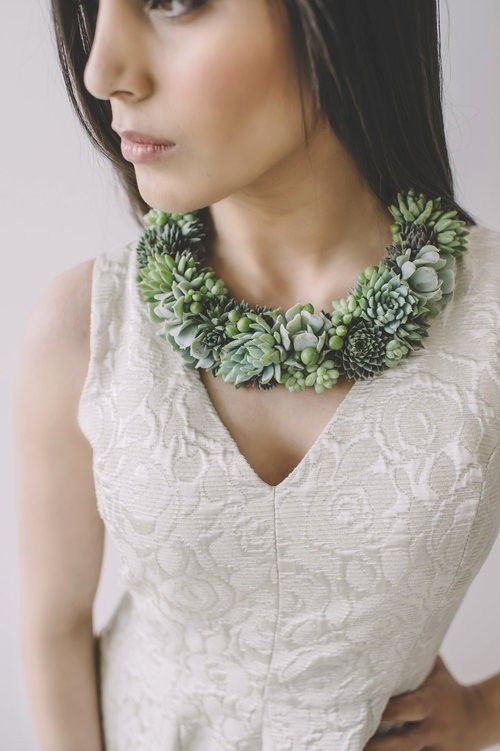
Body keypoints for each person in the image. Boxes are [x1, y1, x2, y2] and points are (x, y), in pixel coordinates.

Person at [13, 0, 500, 749]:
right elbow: (54, 628)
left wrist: (484, 713)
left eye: (173, 1)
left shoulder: (489, 321)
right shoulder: (84, 328)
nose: (101, 71)